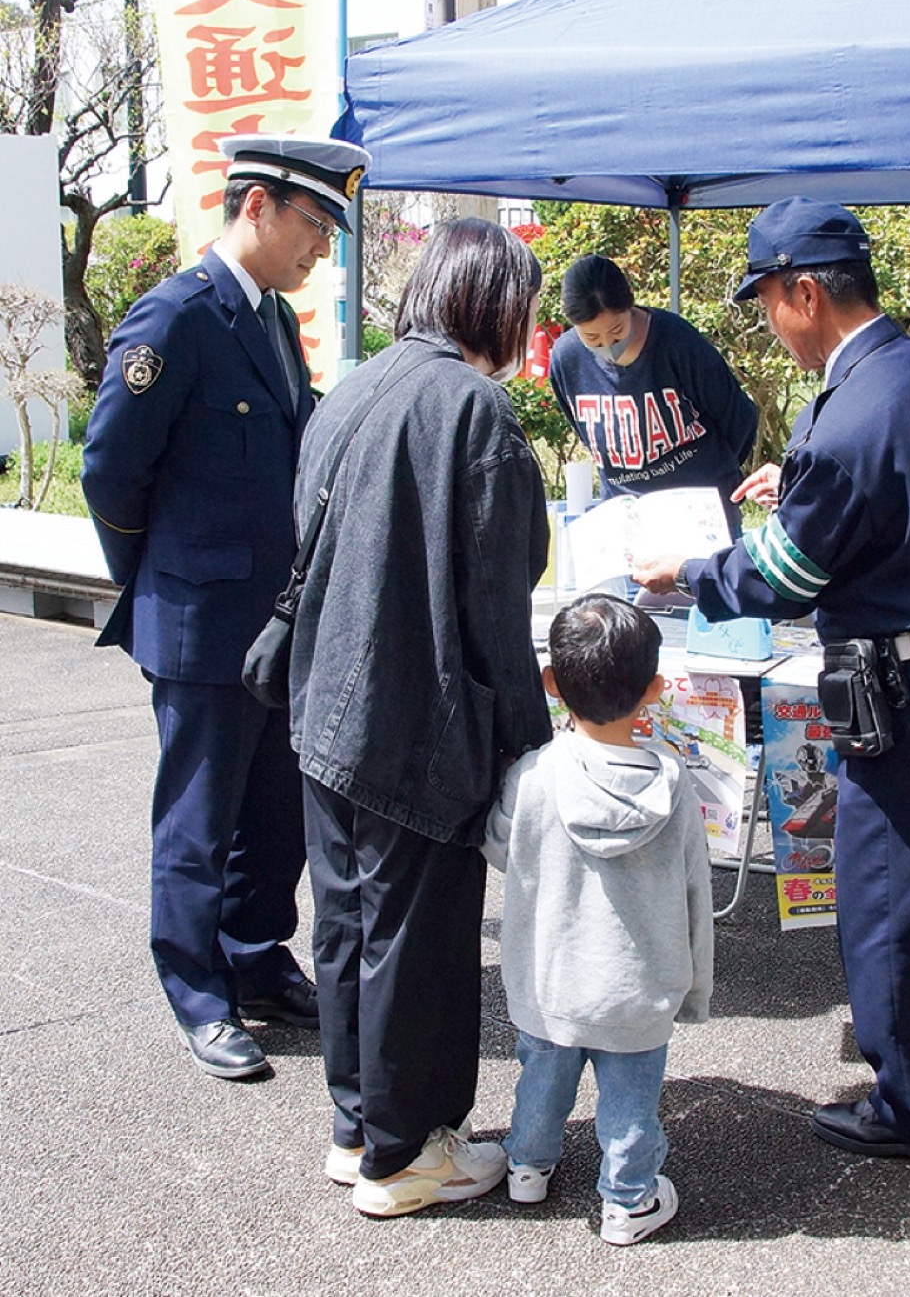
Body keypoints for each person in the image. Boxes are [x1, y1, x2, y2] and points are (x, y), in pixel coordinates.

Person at [635, 197, 910, 1167]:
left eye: (768, 299)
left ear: (804, 291)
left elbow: (779, 577)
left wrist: (685, 571)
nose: (768, 320)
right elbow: (899, 498)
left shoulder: (853, 412)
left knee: (893, 892)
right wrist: (804, 483)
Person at [82, 133, 370, 1081]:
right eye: (314, 223)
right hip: (203, 622)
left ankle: (254, 958)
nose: (322, 247)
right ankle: (196, 989)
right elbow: (110, 474)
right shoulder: (174, 321)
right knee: (199, 820)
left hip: (274, 619)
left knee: (273, 814)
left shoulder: (270, 321)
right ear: (258, 207)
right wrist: (162, 578)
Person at [288, 218, 553, 1218]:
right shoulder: (473, 409)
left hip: (325, 707)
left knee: (350, 926)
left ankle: (359, 1124)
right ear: (491, 302)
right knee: (416, 941)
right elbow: (499, 595)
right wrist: (529, 743)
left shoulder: (354, 385)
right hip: (414, 719)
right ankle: (405, 1155)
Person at [482, 594, 713, 1245]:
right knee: (631, 1105)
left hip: (548, 984)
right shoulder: (672, 785)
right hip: (638, 992)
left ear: (551, 684)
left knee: (542, 1084)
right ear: (655, 690)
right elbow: (697, 893)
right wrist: (693, 992)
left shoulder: (532, 776)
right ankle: (629, 1200)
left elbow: (500, 848)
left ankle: (527, 1167)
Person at [549, 254, 759, 536]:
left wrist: (715, 474)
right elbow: (588, 434)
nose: (608, 345)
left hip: (701, 514)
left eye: (616, 331)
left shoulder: (676, 341)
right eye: (592, 339)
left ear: (630, 305)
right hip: (629, 520)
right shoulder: (567, 358)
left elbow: (738, 418)